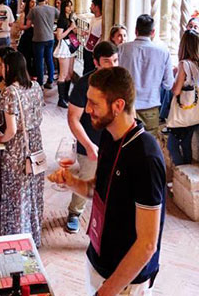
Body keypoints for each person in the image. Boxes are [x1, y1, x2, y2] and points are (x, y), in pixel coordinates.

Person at [49, 67, 165, 296]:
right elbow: (100, 190)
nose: (87, 110)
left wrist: (108, 290)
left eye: (94, 103)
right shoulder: (109, 135)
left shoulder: (145, 156)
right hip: (99, 260)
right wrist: (72, 182)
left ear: (118, 105)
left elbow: (147, 244)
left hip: (124, 281)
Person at [64, 40, 118, 234]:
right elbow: (73, 118)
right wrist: (88, 145)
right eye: (107, 61)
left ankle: (106, 220)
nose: (112, 65)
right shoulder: (83, 85)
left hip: (114, 143)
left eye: (115, 60)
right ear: (96, 62)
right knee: (87, 179)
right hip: (90, 143)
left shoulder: (120, 83)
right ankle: (75, 212)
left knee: (112, 185)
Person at [0, 51, 46, 246]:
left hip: (18, 148)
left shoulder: (10, 92)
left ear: (9, 68)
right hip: (36, 143)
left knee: (16, 194)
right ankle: (33, 236)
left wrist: (1, 138)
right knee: (33, 191)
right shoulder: (36, 86)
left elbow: (11, 129)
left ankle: (15, 237)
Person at [118, 15, 173, 137]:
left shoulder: (122, 49)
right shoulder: (163, 52)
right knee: (148, 148)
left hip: (126, 106)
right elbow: (168, 84)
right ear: (153, 32)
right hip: (150, 107)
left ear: (135, 31)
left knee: (125, 144)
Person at [167, 30, 199, 166]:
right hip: (194, 112)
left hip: (182, 112)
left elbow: (177, 90)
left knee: (172, 145)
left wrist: (171, 83)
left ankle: (181, 172)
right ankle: (187, 169)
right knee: (186, 144)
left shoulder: (184, 64)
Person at [26, 0, 58, 89]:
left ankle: (40, 83)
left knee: (39, 61)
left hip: (38, 38)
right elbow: (60, 18)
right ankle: (50, 80)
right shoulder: (53, 9)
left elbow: (28, 24)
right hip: (50, 38)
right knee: (49, 59)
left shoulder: (34, 10)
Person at [53, 0, 77, 107]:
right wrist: (70, 28)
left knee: (69, 74)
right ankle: (61, 99)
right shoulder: (62, 19)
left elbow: (73, 31)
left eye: (70, 6)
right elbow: (59, 36)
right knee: (63, 74)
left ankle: (66, 96)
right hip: (64, 46)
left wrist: (73, 27)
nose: (69, 8)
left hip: (70, 45)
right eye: (67, 6)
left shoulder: (69, 18)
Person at [17, 0, 37, 77]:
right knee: (26, 56)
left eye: (35, 2)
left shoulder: (37, 13)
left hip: (36, 37)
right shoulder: (24, 14)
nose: (34, 4)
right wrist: (29, 26)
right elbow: (21, 26)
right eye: (32, 2)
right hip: (27, 37)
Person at [84, 0, 103, 68]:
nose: (90, 7)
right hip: (87, 48)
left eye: (92, 5)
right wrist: (87, 32)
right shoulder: (93, 18)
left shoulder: (102, 21)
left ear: (97, 7)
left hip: (94, 51)